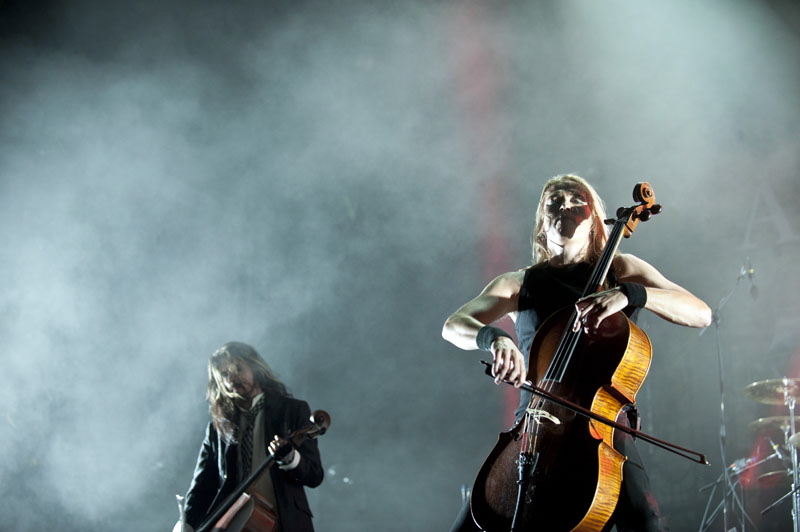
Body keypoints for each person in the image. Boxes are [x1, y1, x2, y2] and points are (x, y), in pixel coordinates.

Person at [442, 174, 712, 531]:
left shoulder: (621, 269)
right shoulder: (519, 283)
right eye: (555, 200)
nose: (565, 205)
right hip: (531, 431)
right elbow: (454, 325)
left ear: (595, 220)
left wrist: (631, 294)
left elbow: (700, 312)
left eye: (576, 200)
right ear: (542, 220)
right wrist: (495, 338)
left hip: (602, 430)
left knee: (645, 524)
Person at [173, 341, 323, 532]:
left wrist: (290, 459)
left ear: (255, 367)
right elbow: (202, 486)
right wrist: (186, 524)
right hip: (235, 523)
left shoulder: (292, 410)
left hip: (284, 522)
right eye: (225, 374)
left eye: (238, 368)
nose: (232, 378)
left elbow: (314, 475)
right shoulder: (218, 427)